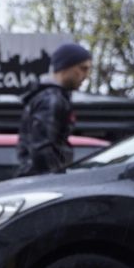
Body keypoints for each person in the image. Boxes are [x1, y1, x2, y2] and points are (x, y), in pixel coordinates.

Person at [16, 41, 93, 177]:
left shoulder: (49, 97)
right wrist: (57, 180)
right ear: (65, 67)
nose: (86, 75)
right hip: (44, 184)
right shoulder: (52, 100)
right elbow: (42, 148)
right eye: (83, 68)